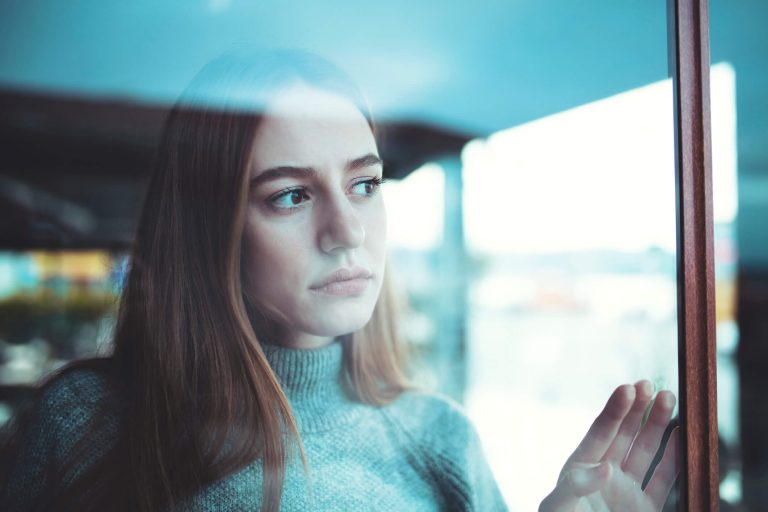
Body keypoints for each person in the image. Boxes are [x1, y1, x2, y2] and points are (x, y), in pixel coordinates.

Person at [0, 48, 679, 512]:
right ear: (209, 232)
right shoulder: (84, 422)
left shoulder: (441, 439)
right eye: (291, 195)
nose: (348, 231)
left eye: (364, 184)